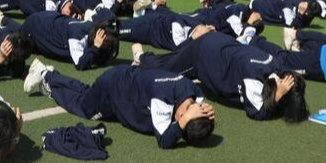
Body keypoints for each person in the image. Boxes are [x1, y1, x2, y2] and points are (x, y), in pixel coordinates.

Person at [23, 60, 216, 148]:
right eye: (181, 118)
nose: (177, 119)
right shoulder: (162, 99)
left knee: (87, 93)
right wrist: (183, 123)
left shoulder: (193, 94)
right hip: (114, 87)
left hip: (125, 82)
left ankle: (50, 74)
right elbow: (164, 140)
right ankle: (45, 78)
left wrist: (202, 116)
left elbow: (198, 105)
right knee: (83, 107)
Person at [133, 30, 308, 122]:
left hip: (219, 43)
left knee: (174, 60)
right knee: (168, 69)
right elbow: (256, 112)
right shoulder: (253, 77)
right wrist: (277, 97)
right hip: (205, 54)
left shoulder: (278, 67)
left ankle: (147, 57)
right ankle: (140, 57)